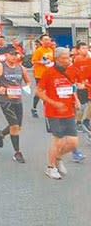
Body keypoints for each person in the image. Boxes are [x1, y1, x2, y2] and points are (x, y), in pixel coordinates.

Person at [37, 47, 81, 180]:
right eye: (64, 58)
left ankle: (58, 158)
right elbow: (38, 92)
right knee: (58, 142)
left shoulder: (72, 70)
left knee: (73, 142)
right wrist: (54, 103)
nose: (68, 60)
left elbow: (72, 85)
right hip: (53, 112)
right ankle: (51, 167)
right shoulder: (49, 73)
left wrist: (76, 99)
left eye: (68, 57)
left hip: (69, 111)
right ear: (57, 59)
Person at [0, 47, 31, 163]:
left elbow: (28, 81)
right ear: (6, 55)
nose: (13, 57)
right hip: (5, 100)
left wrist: (26, 87)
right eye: (11, 54)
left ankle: (1, 134)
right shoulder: (0, 67)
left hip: (17, 99)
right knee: (14, 126)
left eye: (15, 54)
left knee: (17, 126)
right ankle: (17, 152)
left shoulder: (21, 68)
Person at [31, 34, 55, 118]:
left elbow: (52, 60)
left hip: (50, 74)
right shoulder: (39, 50)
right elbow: (33, 61)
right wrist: (42, 62)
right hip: (40, 75)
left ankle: (48, 109)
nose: (47, 41)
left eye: (48, 39)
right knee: (39, 92)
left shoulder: (51, 50)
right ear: (41, 41)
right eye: (45, 40)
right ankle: (34, 108)